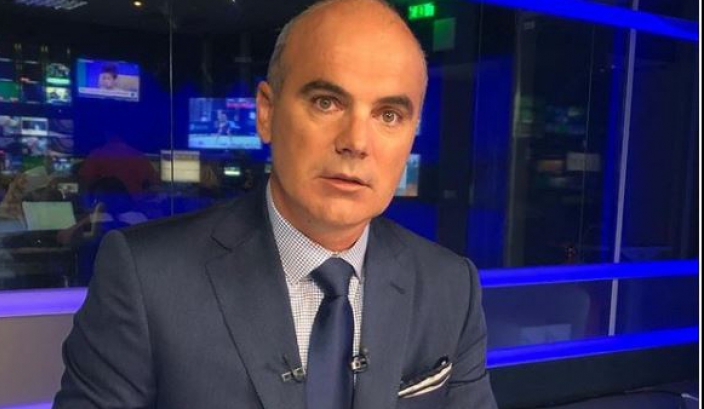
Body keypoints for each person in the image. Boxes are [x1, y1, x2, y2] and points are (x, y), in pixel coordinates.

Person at [54, 0, 497, 408]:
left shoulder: (450, 287)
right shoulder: (146, 279)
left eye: (388, 115)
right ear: (266, 112)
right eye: (326, 102)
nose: (357, 142)